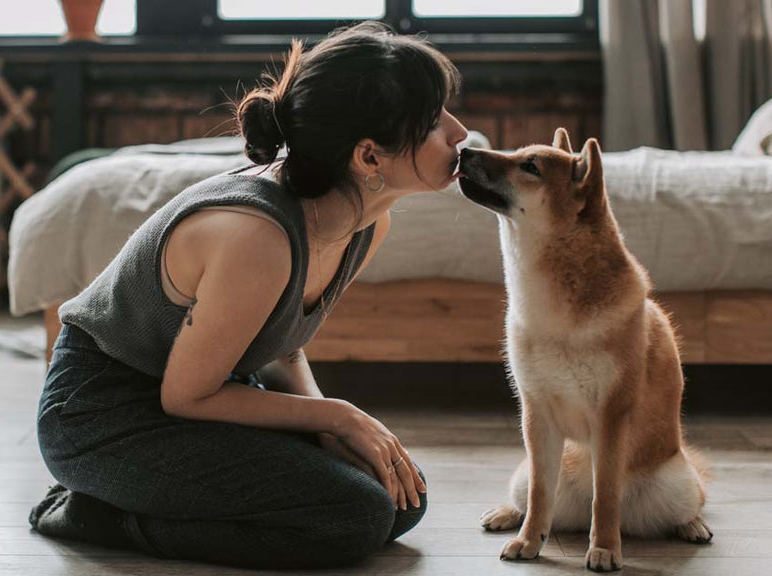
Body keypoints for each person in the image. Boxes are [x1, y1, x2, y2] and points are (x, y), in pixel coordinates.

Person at [28, 20, 469, 570]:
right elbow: (185, 398)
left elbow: (282, 344)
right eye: (433, 122)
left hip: (207, 395)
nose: (460, 133)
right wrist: (337, 417)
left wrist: (326, 424)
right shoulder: (254, 236)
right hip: (104, 416)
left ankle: (148, 498)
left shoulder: (366, 223)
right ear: (369, 157)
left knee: (402, 500)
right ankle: (97, 513)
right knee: (354, 517)